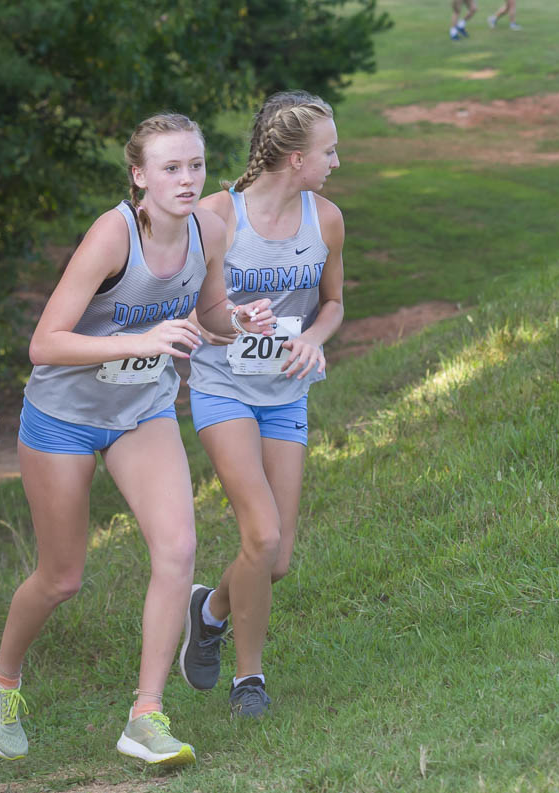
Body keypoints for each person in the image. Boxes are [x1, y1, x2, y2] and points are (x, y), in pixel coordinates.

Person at [0, 113, 274, 767]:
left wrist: (238, 318)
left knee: (178, 547)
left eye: (195, 165)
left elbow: (211, 312)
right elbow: (43, 343)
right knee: (61, 576)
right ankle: (0, 674)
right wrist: (142, 339)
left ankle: (146, 714)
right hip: (63, 418)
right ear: (139, 175)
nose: (188, 179)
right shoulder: (114, 234)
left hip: (142, 410)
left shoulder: (210, 230)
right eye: (171, 167)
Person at [181, 90, 345, 719]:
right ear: (295, 157)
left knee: (274, 560)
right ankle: (250, 679)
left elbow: (332, 303)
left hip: (286, 395)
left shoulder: (325, 219)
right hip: (223, 386)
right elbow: (193, 306)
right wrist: (231, 320)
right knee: (262, 531)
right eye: (329, 150)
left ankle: (211, 610)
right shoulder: (217, 215)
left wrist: (311, 337)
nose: (337, 160)